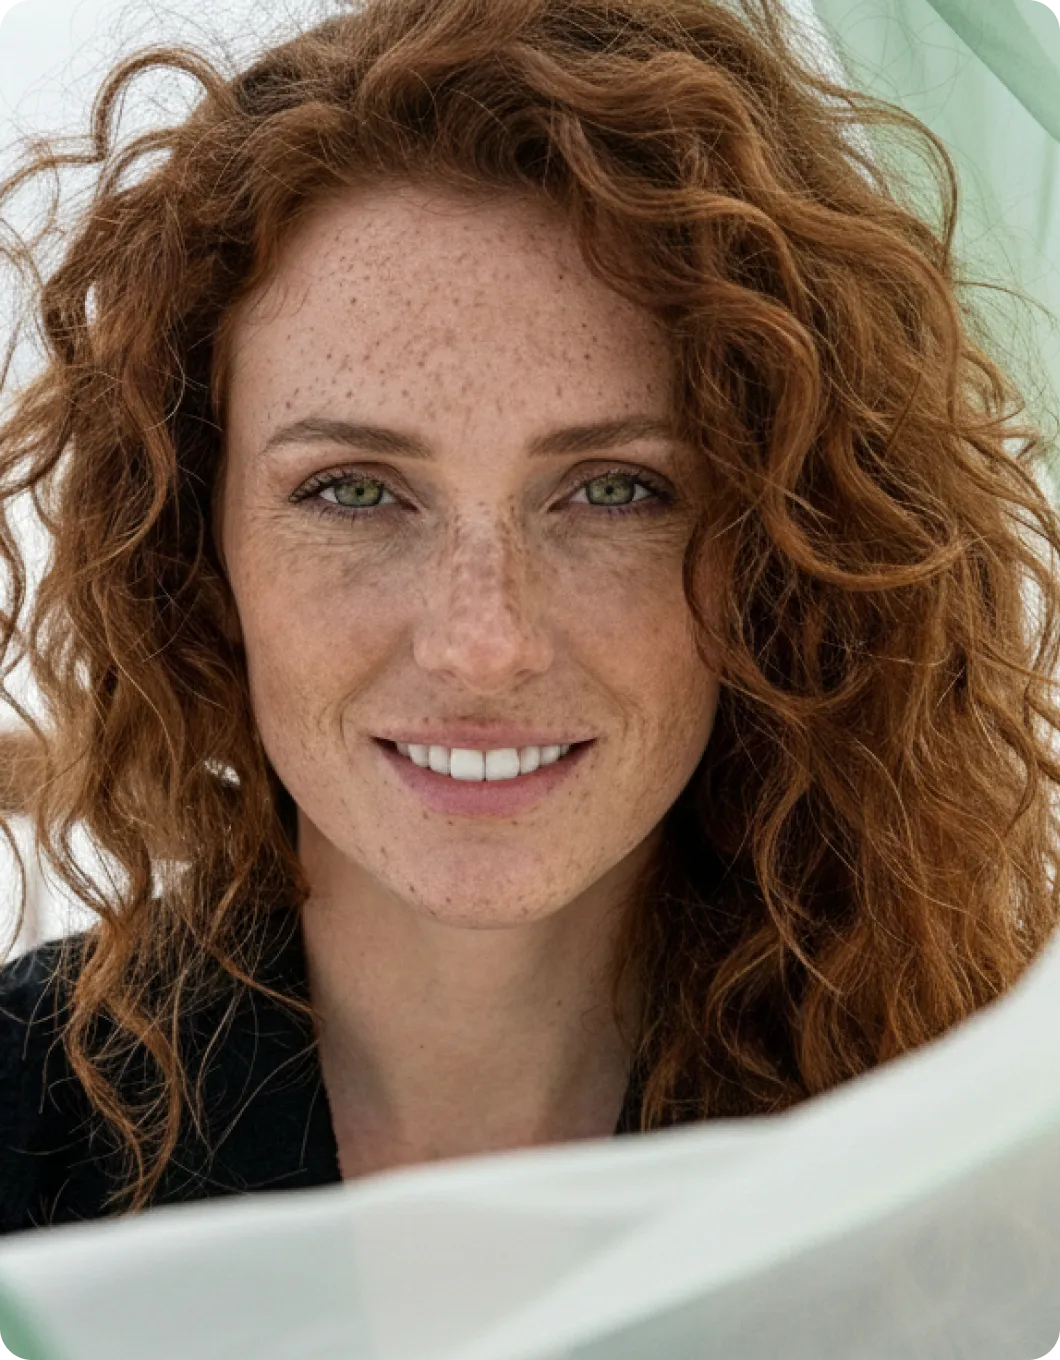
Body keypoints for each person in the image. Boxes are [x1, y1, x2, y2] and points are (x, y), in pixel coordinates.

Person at [2, 0, 1059, 1237]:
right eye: (353, 491)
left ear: (787, 550)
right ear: (194, 546)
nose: (481, 641)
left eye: (615, 490)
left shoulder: (987, 1169)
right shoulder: (22, 1140)